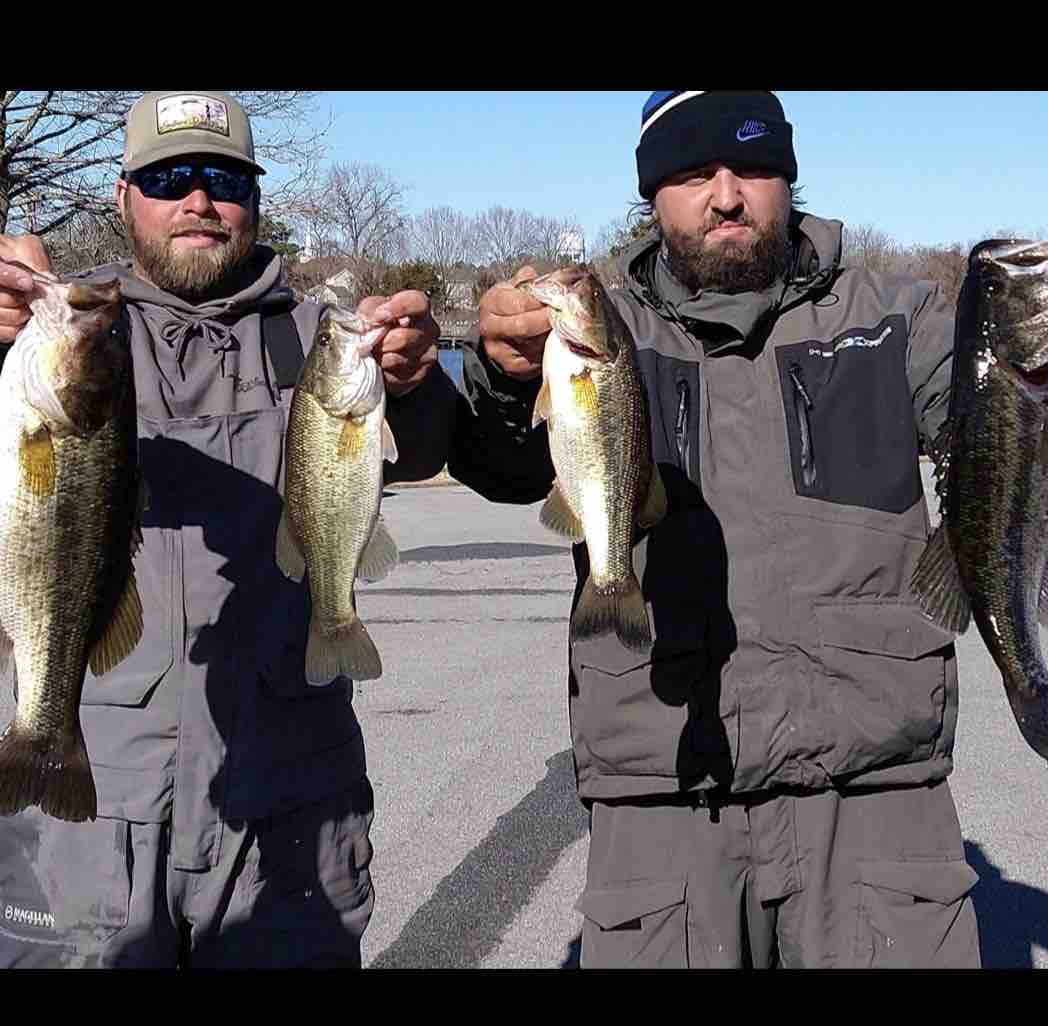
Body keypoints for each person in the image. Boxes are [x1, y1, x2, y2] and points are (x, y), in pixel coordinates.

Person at [448, 90, 982, 969]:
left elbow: (1004, 425)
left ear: (788, 177)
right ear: (653, 194)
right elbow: (505, 470)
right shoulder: (598, 327)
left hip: (878, 791)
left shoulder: (900, 317)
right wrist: (505, 385)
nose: (726, 195)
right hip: (664, 793)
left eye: (752, 168)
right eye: (694, 173)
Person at [0, 90, 452, 968]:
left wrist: (422, 378)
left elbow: (433, 444)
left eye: (222, 178)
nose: (198, 200)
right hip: (88, 827)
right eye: (169, 178)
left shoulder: (324, 338)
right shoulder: (63, 334)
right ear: (125, 196)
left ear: (254, 196)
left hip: (286, 807)